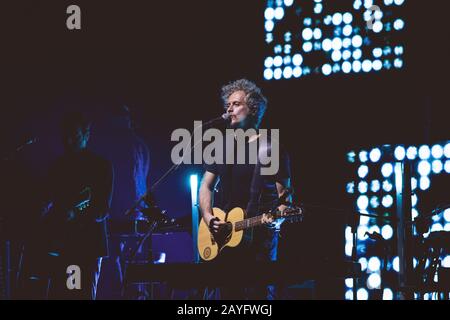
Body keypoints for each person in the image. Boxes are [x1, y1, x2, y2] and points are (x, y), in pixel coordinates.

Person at [199, 79, 292, 300]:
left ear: (253, 109)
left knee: (258, 298)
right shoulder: (221, 148)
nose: (229, 109)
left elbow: (284, 197)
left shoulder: (270, 148)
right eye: (228, 105)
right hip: (225, 238)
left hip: (258, 240)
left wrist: (279, 215)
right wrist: (208, 216)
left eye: (236, 104)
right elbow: (206, 185)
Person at [41, 111, 113, 299]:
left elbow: (102, 209)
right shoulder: (57, 166)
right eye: (66, 135)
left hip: (87, 244)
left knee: (81, 294)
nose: (69, 140)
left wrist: (76, 215)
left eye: (74, 135)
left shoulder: (100, 166)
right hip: (64, 242)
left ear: (86, 135)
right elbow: (48, 198)